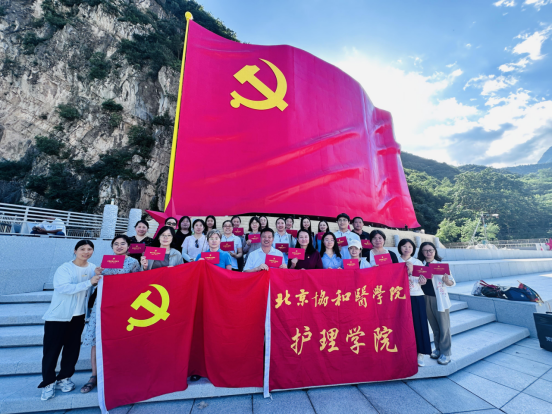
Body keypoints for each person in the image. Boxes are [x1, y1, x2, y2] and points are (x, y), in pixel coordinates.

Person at [39, 240, 102, 401]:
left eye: (89, 249)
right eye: (82, 249)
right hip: (58, 316)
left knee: (72, 350)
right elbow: (63, 288)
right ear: (75, 251)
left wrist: (98, 277)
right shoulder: (65, 268)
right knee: (52, 351)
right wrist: (89, 282)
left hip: (78, 316)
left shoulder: (92, 268)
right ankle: (48, 382)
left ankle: (64, 377)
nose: (86, 252)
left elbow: (95, 288)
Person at [81, 235, 141, 394]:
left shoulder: (133, 262)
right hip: (103, 305)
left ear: (128, 246)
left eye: (123, 243)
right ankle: (94, 375)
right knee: (96, 339)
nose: (119, 246)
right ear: (112, 247)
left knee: (122, 339)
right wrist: (97, 274)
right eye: (116, 244)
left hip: (123, 306)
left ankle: (121, 373)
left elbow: (138, 283)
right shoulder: (105, 263)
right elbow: (96, 283)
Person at [418, 242, 456, 366]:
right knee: (434, 327)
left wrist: (447, 281)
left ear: (435, 251)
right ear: (422, 252)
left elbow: (452, 283)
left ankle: (446, 353)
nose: (428, 252)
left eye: (431, 250)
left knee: (444, 327)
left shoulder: (441, 266)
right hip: (425, 298)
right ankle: (438, 349)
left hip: (439, 299)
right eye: (425, 250)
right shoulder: (420, 265)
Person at [398, 239, 431, 367]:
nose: (407, 249)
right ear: (400, 248)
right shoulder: (396, 261)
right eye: (404, 246)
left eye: (410, 247)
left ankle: (420, 353)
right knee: (402, 325)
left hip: (416, 296)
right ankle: (405, 352)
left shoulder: (417, 262)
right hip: (400, 298)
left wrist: (420, 278)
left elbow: (422, 280)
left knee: (419, 324)